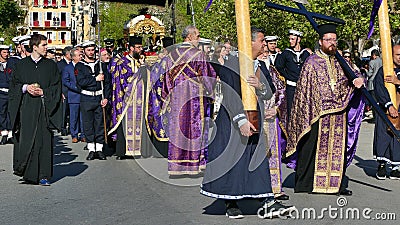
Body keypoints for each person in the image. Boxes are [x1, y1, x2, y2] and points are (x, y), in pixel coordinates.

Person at [201, 27, 295, 219]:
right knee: (232, 161)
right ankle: (230, 202)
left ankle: (267, 200)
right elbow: (229, 94)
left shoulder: (257, 65)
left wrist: (259, 86)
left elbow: (269, 92)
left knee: (257, 160)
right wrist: (241, 120)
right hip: (233, 122)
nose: (263, 44)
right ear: (249, 42)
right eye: (261, 40)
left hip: (255, 121)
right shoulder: (232, 62)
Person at [285, 24, 365, 195]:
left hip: (339, 112)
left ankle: (335, 184)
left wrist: (358, 80)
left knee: (338, 149)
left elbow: (355, 74)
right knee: (311, 147)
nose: (332, 43)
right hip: (317, 113)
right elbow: (305, 91)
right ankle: (308, 183)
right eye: (328, 40)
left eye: (334, 40)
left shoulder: (342, 61)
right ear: (320, 42)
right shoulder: (311, 62)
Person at [149, 25, 216, 176]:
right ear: (190, 37)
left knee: (178, 130)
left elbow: (165, 77)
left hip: (177, 98)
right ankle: (193, 165)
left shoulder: (172, 54)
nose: (199, 39)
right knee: (194, 129)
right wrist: (210, 91)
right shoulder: (198, 54)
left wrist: (167, 96)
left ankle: (177, 167)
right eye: (198, 36)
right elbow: (208, 77)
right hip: (194, 99)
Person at [8, 34, 62, 186]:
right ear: (34, 47)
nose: (46, 48)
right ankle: (29, 174)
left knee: (44, 141)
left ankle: (44, 175)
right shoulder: (21, 65)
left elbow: (56, 87)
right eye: (44, 45)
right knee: (27, 139)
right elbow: (14, 86)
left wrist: (44, 92)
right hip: (27, 108)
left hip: (45, 108)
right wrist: (25, 88)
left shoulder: (51, 66)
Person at [108, 36, 151, 159]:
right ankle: (123, 151)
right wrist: (140, 72)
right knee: (125, 123)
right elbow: (123, 80)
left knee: (140, 123)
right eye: (138, 47)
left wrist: (144, 68)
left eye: (141, 47)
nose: (141, 50)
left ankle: (139, 150)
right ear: (131, 48)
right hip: (126, 100)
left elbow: (148, 78)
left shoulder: (142, 62)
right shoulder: (122, 62)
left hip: (140, 99)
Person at [76, 41, 111, 160]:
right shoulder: (79, 66)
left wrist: (106, 97)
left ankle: (100, 148)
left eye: (92, 50)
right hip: (86, 98)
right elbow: (81, 82)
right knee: (88, 124)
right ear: (84, 51)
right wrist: (95, 79)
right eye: (88, 50)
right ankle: (91, 148)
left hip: (99, 98)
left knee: (100, 124)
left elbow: (107, 83)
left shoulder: (101, 65)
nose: (91, 52)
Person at [373, 43, 400, 180]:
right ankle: (382, 165)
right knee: (383, 137)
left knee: (397, 138)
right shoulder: (384, 71)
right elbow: (378, 88)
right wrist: (389, 105)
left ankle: (396, 167)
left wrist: (398, 82)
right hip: (385, 110)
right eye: (398, 55)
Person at [275, 29, 310, 119]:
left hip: (303, 87)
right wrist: (288, 76)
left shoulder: (306, 54)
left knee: (303, 110)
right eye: (289, 39)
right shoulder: (286, 53)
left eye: (292, 39)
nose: (290, 41)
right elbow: (279, 67)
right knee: (291, 111)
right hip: (291, 87)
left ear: (299, 39)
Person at [62, 47, 85, 143]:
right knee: (73, 117)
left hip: (83, 95)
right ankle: (74, 135)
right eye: (79, 55)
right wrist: (75, 88)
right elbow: (65, 81)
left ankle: (83, 134)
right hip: (73, 96)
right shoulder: (68, 68)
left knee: (83, 117)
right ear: (73, 57)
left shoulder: (83, 66)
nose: (81, 57)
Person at [58, 46, 73, 136]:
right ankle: (62, 127)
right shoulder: (60, 65)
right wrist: (60, 92)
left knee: (72, 112)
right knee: (64, 111)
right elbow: (57, 80)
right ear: (67, 54)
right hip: (64, 91)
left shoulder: (74, 64)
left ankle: (72, 128)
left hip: (73, 91)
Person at [366, 49, 382, 122]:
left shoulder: (372, 62)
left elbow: (370, 74)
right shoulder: (382, 61)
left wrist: (365, 70)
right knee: (380, 101)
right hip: (381, 83)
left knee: (374, 102)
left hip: (372, 83)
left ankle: (375, 117)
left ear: (373, 55)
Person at [0, 44, 12, 144]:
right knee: (2, 113)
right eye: (4, 52)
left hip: (10, 92)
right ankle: (4, 132)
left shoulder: (11, 64)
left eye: (7, 52)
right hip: (1, 92)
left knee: (10, 113)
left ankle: (11, 134)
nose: (6, 54)